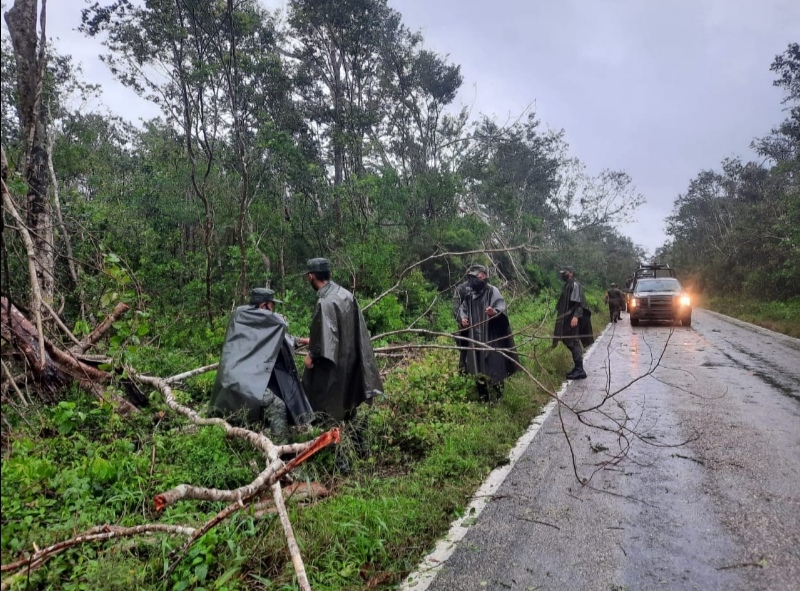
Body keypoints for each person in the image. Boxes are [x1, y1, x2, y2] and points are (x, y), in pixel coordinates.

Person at [209, 288, 314, 442]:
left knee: (277, 395)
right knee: (276, 404)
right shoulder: (247, 318)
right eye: (272, 306)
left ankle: (256, 435)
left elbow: (282, 338)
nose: (274, 310)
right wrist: (277, 319)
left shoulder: (245, 318)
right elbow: (276, 323)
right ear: (264, 306)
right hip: (243, 382)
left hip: (238, 379)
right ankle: (281, 448)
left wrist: (305, 341)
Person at [298, 258, 383, 425]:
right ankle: (359, 445)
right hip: (350, 362)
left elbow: (323, 340)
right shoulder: (346, 294)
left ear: (311, 276)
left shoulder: (325, 301)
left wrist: (311, 356)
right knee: (349, 403)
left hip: (332, 367)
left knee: (327, 407)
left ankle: (329, 444)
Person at [457, 265, 519, 400]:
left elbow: (501, 309)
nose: (474, 281)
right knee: (477, 365)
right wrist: (463, 318)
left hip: (491, 336)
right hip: (475, 337)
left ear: (484, 276)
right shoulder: (469, 295)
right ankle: (483, 397)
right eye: (472, 278)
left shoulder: (493, 291)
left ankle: (498, 397)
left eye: (477, 277)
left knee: (495, 365)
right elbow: (463, 309)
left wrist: (494, 312)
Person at [552, 266, 594, 380]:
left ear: (570, 273)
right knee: (567, 340)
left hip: (572, 319)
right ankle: (577, 367)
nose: (562, 275)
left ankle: (580, 370)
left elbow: (579, 303)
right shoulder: (567, 285)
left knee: (574, 342)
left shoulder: (575, 285)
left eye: (564, 273)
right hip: (566, 319)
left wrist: (576, 316)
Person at [452, 263, 480, 373]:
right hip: (465, 329)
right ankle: (463, 378)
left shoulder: (482, 289)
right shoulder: (461, 289)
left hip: (479, 328)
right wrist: (462, 320)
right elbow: (455, 309)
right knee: (464, 355)